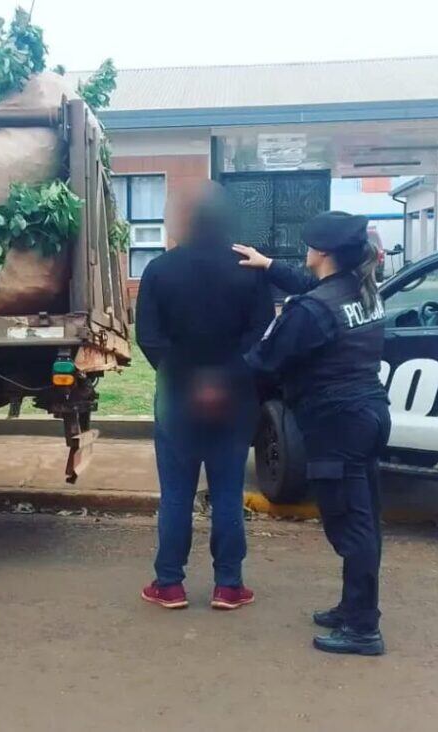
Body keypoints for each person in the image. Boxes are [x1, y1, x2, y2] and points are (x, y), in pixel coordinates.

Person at [234, 211, 390, 656]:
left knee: (349, 524)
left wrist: (218, 379)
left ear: (321, 253)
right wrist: (269, 267)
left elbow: (266, 360)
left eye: (308, 247)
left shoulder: (313, 310)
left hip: (336, 424)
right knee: (364, 517)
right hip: (369, 413)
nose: (304, 252)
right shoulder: (360, 289)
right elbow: (315, 295)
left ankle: (363, 629)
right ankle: (352, 608)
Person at [136, 182, 274, 611]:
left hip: (177, 398)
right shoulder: (248, 269)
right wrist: (226, 378)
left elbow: (149, 338)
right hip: (234, 401)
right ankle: (228, 585)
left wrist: (187, 378)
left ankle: (169, 584)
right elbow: (261, 333)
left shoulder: (159, 270)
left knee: (176, 494)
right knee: (228, 493)